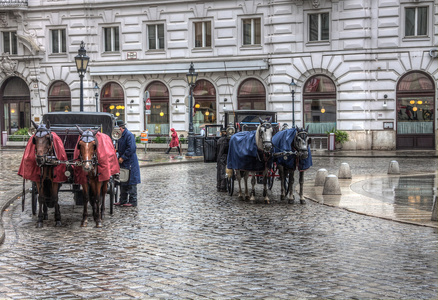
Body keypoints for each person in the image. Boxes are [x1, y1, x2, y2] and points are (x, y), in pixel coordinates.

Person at [114, 120, 141, 207]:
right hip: (124, 162)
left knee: (131, 181)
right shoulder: (120, 136)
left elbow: (131, 148)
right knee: (123, 180)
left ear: (120, 128)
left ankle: (133, 201)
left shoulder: (129, 135)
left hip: (130, 162)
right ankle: (122, 200)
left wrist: (123, 157)